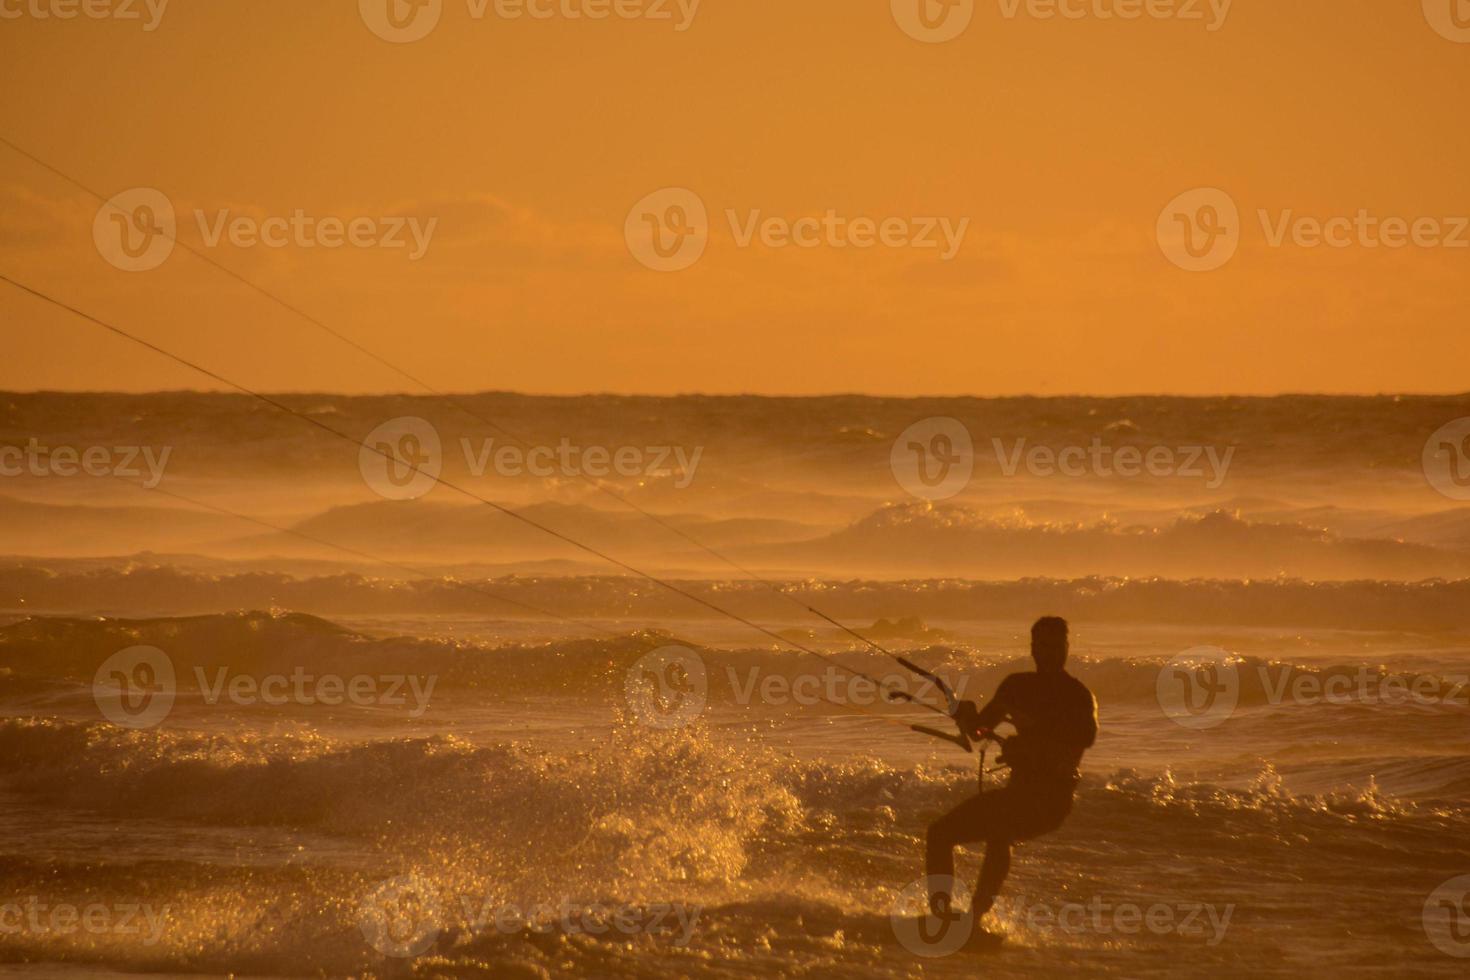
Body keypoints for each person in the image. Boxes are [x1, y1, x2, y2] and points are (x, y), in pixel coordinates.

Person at [925, 616, 1098, 936]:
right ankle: (942, 916)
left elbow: (1073, 752)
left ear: (1066, 649)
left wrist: (1029, 747)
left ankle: (973, 920)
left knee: (1000, 832)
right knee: (939, 834)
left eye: (1054, 646)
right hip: (1017, 793)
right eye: (1040, 645)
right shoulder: (1016, 686)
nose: (1047, 653)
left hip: (1050, 801)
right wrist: (965, 716)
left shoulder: (1077, 697)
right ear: (1032, 648)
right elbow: (979, 731)